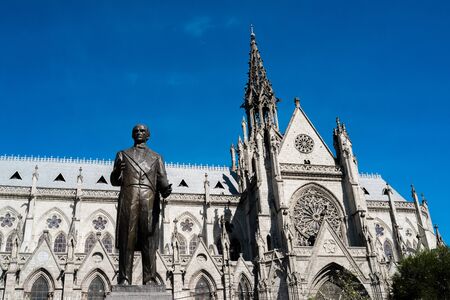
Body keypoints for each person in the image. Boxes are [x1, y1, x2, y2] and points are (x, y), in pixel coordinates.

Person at [110, 124, 172, 285]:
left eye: (142, 131)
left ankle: (150, 278)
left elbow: (163, 181)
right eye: (136, 131)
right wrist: (117, 171)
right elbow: (114, 181)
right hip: (129, 196)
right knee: (127, 239)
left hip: (149, 198)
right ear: (132, 135)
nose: (139, 132)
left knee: (148, 239)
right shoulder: (123, 154)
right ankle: (124, 278)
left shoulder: (157, 157)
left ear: (148, 135)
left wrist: (166, 190)